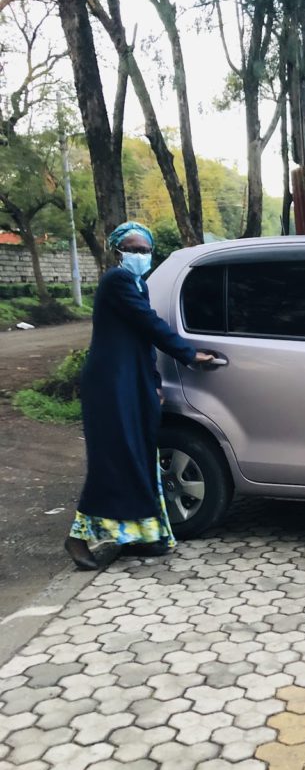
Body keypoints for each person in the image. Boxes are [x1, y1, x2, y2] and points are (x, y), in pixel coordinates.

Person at [64, 222, 214, 571]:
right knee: (115, 460)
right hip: (111, 387)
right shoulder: (116, 282)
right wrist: (189, 354)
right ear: (118, 251)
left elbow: (141, 341)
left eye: (145, 249)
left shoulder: (137, 283)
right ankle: (78, 537)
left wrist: (155, 382)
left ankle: (139, 534)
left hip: (133, 382)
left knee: (138, 458)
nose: (140, 255)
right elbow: (150, 324)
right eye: (133, 249)